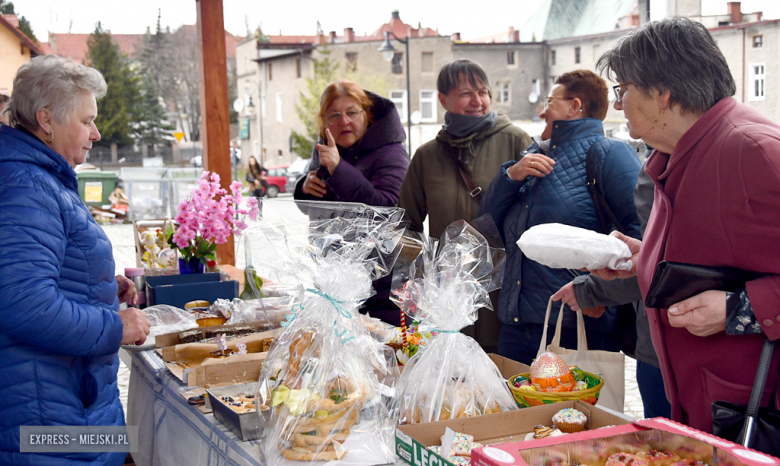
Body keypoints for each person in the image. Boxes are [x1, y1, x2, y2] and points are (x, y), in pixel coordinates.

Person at [592, 17, 780, 433]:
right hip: (705, 408)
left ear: (662, 93)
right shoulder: (682, 152)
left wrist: (735, 310)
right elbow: (727, 256)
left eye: (623, 90)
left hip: (752, 417)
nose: (619, 105)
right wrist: (644, 260)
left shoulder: (753, 152)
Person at [0, 55, 151, 465]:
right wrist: (112, 326)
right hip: (46, 426)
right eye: (87, 121)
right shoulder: (27, 186)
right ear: (46, 120)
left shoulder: (42, 177)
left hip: (67, 409)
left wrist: (101, 286)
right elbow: (23, 304)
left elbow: (46, 269)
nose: (97, 133)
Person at [477, 70, 641, 365]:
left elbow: (642, 234)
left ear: (574, 106)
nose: (541, 111)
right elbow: (486, 225)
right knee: (514, 410)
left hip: (577, 324)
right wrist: (510, 177)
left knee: (572, 412)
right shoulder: (531, 158)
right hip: (516, 325)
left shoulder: (609, 154)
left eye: (549, 102)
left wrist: (599, 292)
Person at [397, 59, 532, 352]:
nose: (478, 101)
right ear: (443, 99)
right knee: (452, 374)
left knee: (501, 371)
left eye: (483, 92)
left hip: (503, 290)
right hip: (447, 293)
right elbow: (405, 224)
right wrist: (423, 276)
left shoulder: (515, 141)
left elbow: (536, 212)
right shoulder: (427, 156)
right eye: (466, 93)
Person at [552, 151, 672, 419]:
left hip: (678, 343)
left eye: (550, 103)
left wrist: (590, 290)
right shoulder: (657, 161)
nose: (619, 106)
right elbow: (656, 256)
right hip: (655, 341)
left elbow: (667, 264)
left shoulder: (617, 159)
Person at [294, 79, 409, 325]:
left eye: (352, 113)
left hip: (383, 280)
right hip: (335, 279)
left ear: (366, 115)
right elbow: (312, 208)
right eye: (334, 115)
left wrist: (338, 169)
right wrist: (304, 187)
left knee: (387, 354)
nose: (344, 121)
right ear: (323, 121)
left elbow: (387, 207)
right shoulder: (325, 148)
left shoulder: (391, 151)